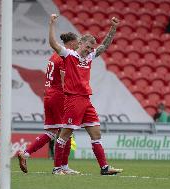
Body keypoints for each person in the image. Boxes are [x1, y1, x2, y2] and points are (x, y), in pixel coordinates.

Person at [49, 14, 123, 175]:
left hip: (86, 100)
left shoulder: (89, 57)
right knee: (65, 135)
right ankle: (57, 168)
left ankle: (104, 168)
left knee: (96, 133)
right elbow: (53, 43)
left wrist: (113, 28)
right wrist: (52, 24)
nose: (89, 50)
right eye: (87, 47)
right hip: (73, 99)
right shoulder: (69, 55)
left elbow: (104, 46)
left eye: (91, 48)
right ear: (80, 43)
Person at [17, 32, 80, 174]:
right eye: (77, 42)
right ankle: (60, 167)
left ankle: (25, 154)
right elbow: (65, 82)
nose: (78, 45)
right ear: (70, 43)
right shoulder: (64, 58)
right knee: (66, 131)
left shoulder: (53, 56)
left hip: (48, 96)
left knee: (52, 133)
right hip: (59, 96)